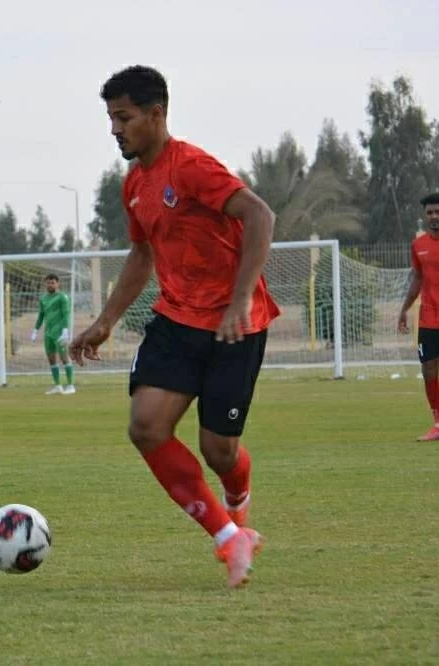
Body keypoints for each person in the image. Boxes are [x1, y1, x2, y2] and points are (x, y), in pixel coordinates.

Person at [69, 65, 280, 588]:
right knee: (145, 426)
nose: (115, 129)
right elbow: (142, 255)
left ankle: (238, 505)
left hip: (235, 325)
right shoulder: (135, 184)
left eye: (124, 118)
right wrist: (106, 321)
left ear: (156, 114)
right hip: (176, 320)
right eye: (111, 118)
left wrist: (239, 300)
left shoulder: (191, 167)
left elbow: (260, 215)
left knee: (219, 451)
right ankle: (228, 537)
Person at [397, 192, 439, 441]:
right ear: (425, 216)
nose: (434, 216)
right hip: (430, 318)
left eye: (438, 212)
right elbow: (418, 278)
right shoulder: (418, 246)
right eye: (430, 212)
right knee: (429, 370)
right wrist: (404, 309)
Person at [30, 273, 75, 395]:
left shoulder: (62, 297)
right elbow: (41, 315)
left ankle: (71, 386)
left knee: (64, 358)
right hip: (48, 333)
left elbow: (66, 314)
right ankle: (58, 386)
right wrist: (35, 330)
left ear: (57, 284)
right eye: (48, 283)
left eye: (52, 283)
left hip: (60, 333)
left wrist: (65, 331)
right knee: (51, 360)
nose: (50, 285)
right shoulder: (43, 298)